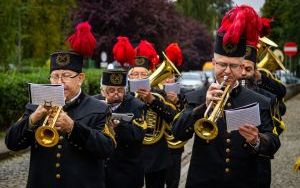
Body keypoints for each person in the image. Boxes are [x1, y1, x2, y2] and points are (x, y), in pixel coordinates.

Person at [172, 5, 280, 188]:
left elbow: (274, 142)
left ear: (241, 66)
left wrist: (257, 140)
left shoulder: (260, 101)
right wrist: (201, 108)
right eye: (222, 64)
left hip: (243, 181)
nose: (227, 71)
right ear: (213, 63)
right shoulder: (196, 96)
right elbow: (177, 132)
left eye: (233, 65)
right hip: (203, 182)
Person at [5, 22, 114, 188]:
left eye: (66, 75)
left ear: (80, 78)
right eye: (55, 76)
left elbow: (107, 148)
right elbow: (11, 143)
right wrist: (33, 119)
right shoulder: (35, 106)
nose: (59, 82)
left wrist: (73, 128)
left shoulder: (99, 108)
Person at [94, 37, 146, 188]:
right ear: (102, 90)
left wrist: (119, 125)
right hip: (99, 172)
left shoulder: (136, 105)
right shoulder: (94, 102)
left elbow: (139, 135)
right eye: (111, 90)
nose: (116, 94)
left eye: (120, 90)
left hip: (126, 171)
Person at [128, 40, 176, 188]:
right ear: (129, 77)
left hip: (156, 155)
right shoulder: (123, 96)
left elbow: (172, 117)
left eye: (143, 74)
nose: (139, 77)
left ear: (149, 75)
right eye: (135, 74)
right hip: (131, 153)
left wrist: (151, 100)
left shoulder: (159, 94)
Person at [163, 43, 186, 188]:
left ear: (175, 77)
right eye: (165, 76)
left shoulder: (182, 95)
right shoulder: (155, 92)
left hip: (174, 146)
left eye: (170, 76)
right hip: (157, 144)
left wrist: (177, 101)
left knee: (173, 181)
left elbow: (185, 118)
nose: (167, 79)